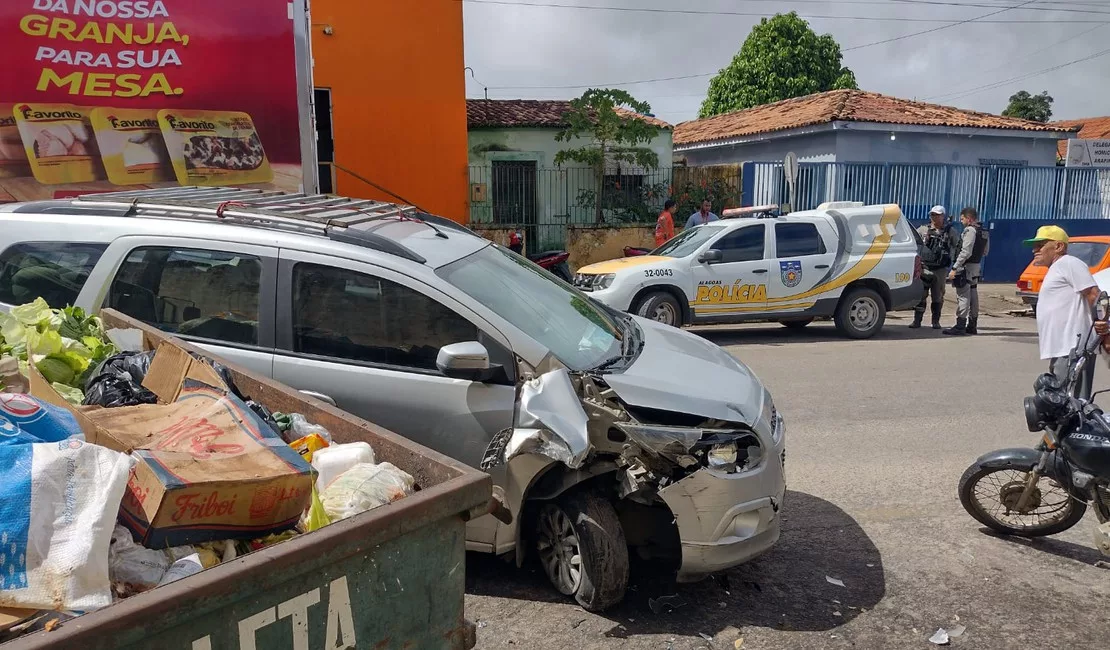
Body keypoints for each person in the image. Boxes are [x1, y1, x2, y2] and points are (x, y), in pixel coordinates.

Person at [1026, 226, 1100, 398]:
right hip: (1063, 348)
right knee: (1063, 402)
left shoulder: (1069, 263)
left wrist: (1103, 330)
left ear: (1058, 246)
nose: (1034, 250)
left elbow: (1094, 295)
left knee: (1071, 402)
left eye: (1040, 245)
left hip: (1072, 347)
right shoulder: (1057, 267)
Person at [911, 206, 960, 329]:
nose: (934, 217)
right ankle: (917, 321)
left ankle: (935, 321)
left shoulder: (950, 231)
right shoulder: (923, 230)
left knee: (938, 296)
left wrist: (955, 264)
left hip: (940, 269)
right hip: (924, 267)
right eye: (932, 215)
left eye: (937, 215)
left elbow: (958, 246)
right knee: (921, 294)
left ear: (943, 216)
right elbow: (913, 244)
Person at [943, 207, 990, 336]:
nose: (961, 221)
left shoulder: (970, 230)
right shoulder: (984, 231)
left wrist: (955, 268)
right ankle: (972, 325)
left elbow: (966, 251)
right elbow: (985, 251)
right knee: (973, 295)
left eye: (962, 218)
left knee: (963, 295)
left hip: (966, 267)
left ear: (969, 218)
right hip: (976, 267)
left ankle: (960, 325)